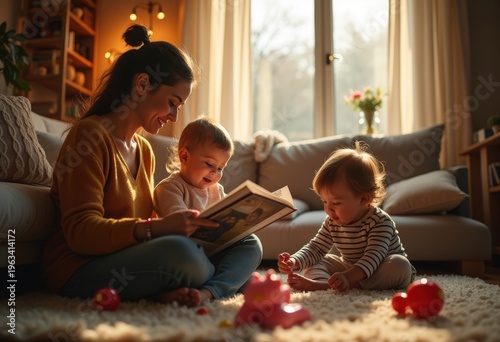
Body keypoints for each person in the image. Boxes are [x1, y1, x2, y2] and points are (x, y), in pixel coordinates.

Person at [42, 24, 262, 308]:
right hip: (79, 267)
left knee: (249, 244)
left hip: (132, 258)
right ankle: (222, 283)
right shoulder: (89, 136)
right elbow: (80, 233)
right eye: (172, 103)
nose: (173, 116)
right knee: (183, 254)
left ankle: (204, 288)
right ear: (143, 84)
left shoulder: (144, 150)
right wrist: (154, 228)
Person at [277, 142, 415, 292]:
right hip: (349, 268)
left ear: (363, 200)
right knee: (315, 260)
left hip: (380, 268)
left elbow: (373, 257)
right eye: (324, 201)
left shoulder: (380, 222)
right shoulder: (332, 222)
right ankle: (324, 282)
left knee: (400, 265)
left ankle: (327, 285)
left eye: (336, 202)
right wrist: (294, 261)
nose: (328, 209)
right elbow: (316, 248)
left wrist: (347, 278)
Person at [153, 116, 262, 299]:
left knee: (252, 244)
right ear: (185, 156)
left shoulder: (216, 189)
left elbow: (231, 216)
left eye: (221, 168)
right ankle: (222, 284)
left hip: (211, 254)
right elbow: (178, 225)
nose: (215, 173)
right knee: (242, 279)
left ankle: (210, 290)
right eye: (210, 164)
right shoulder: (169, 188)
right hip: (187, 256)